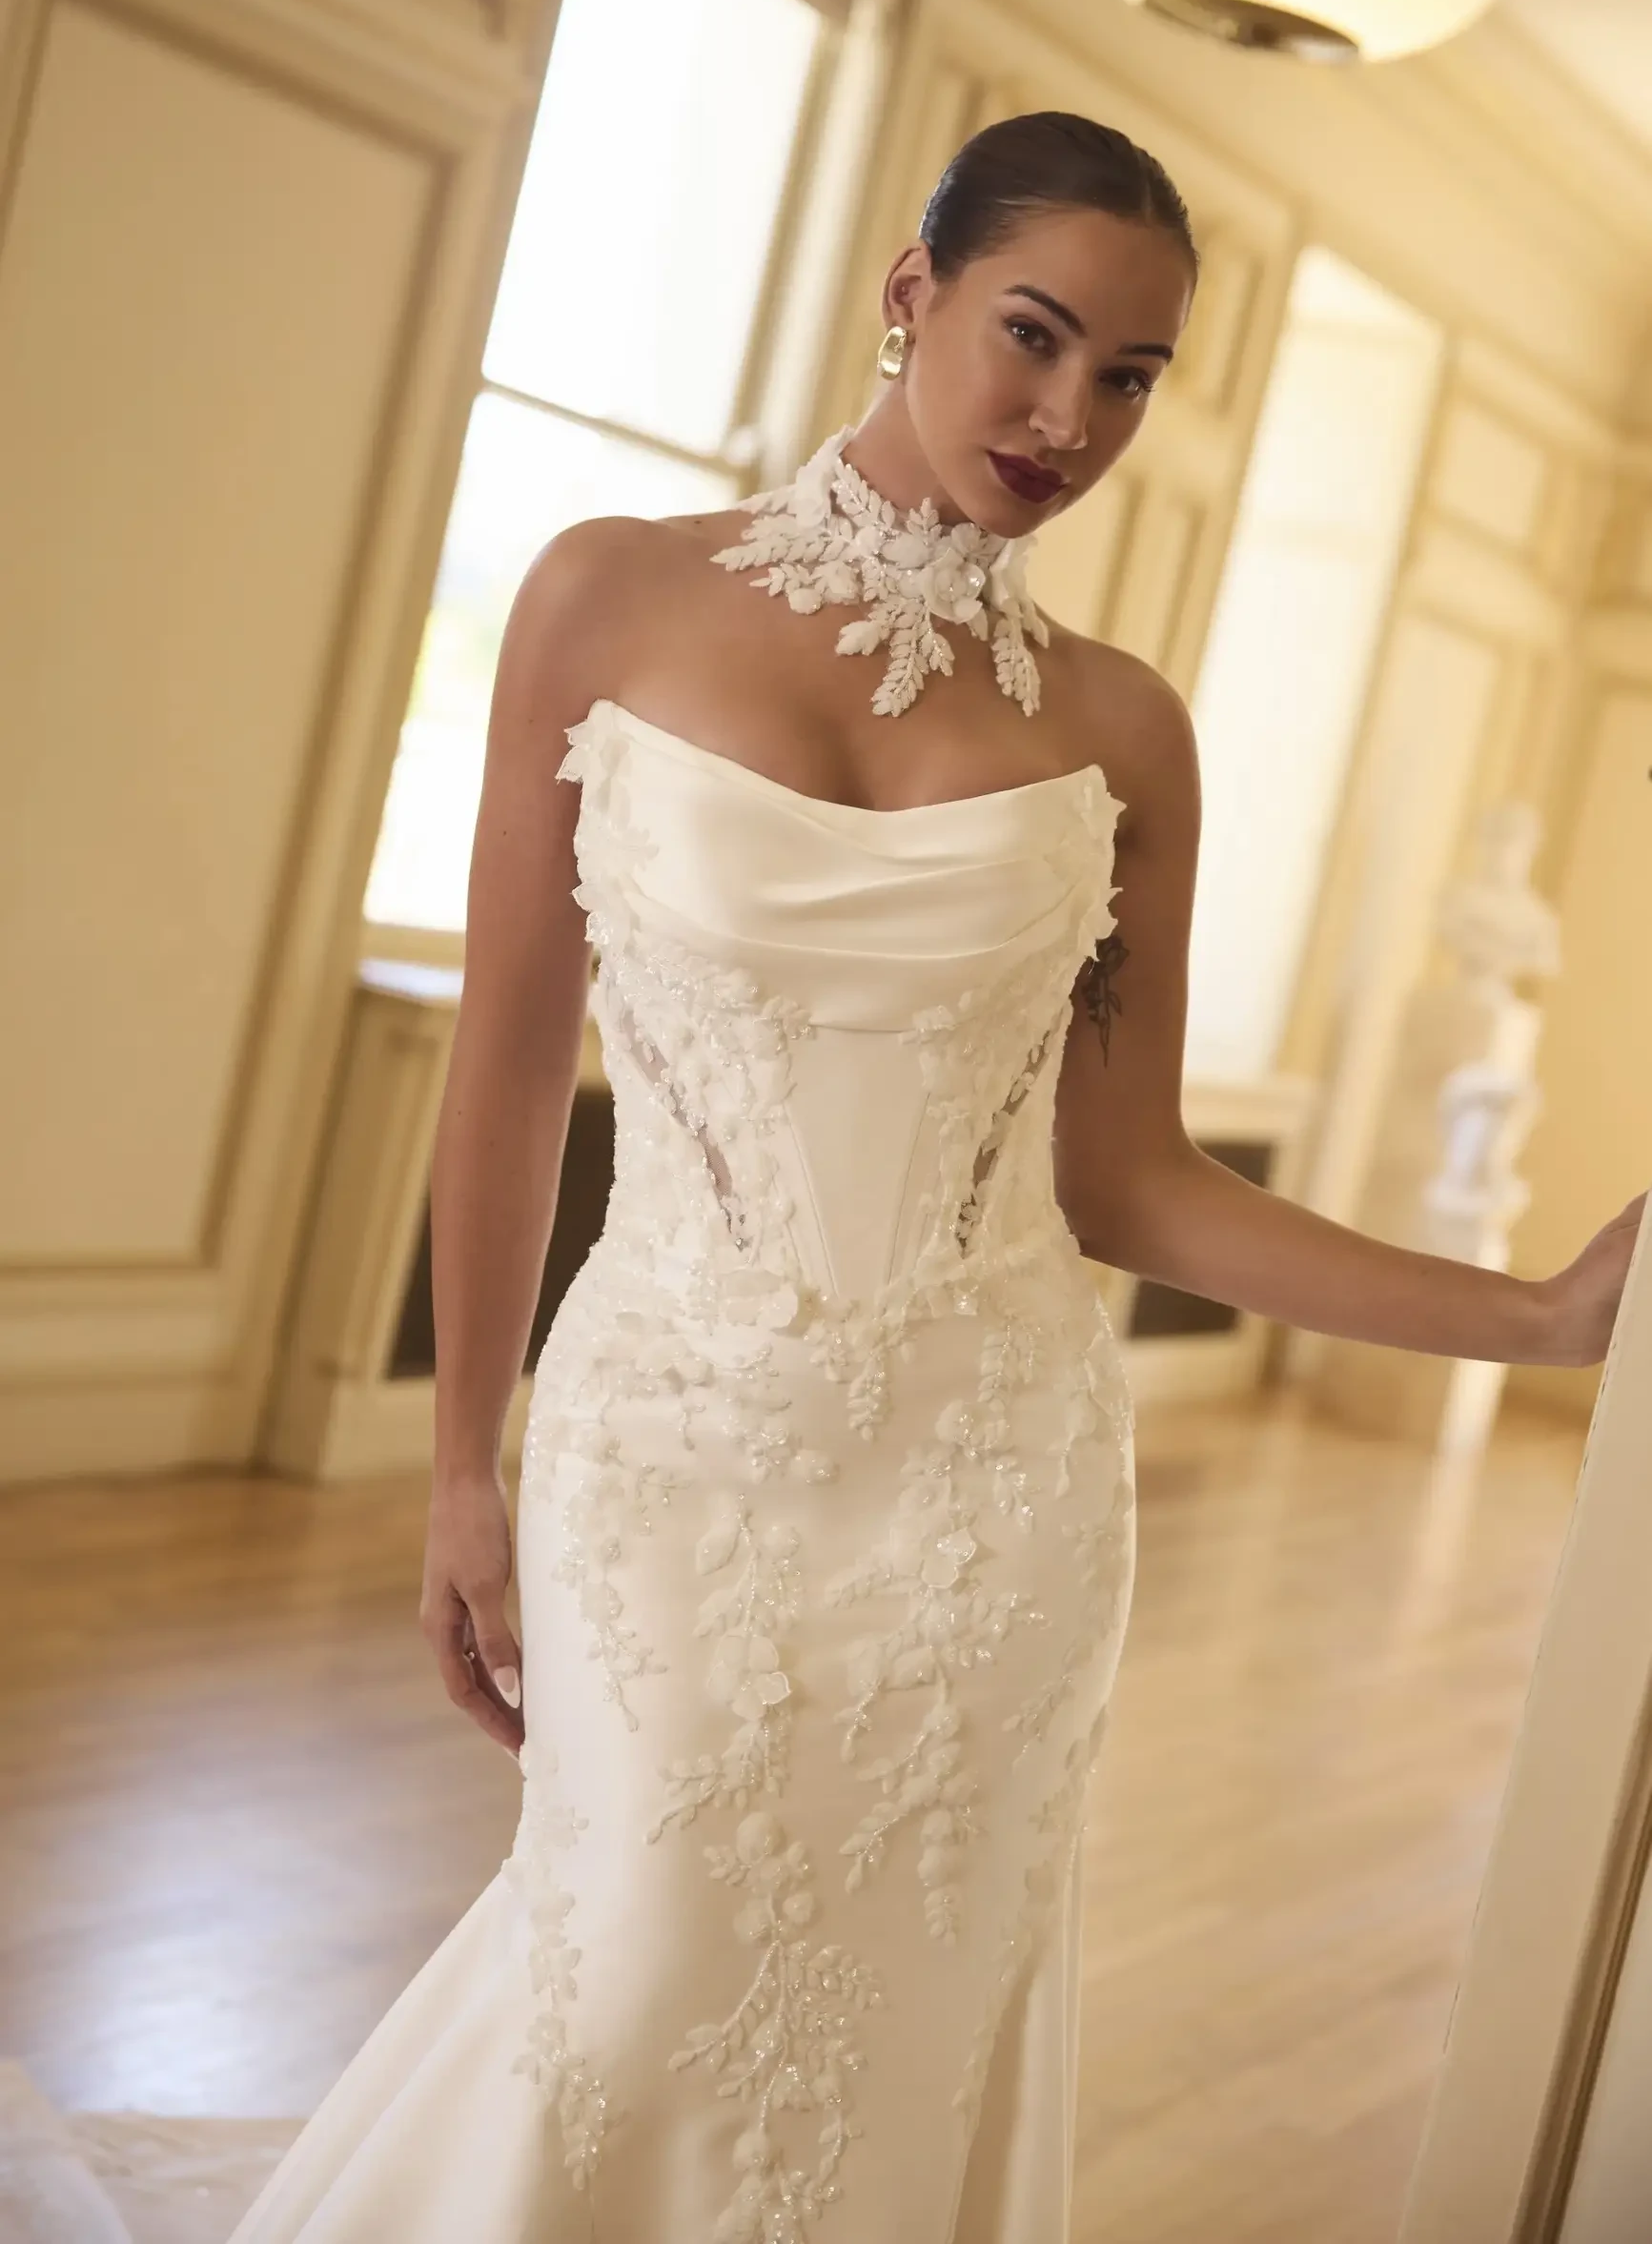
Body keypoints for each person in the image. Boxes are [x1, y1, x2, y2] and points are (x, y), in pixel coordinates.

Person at [229, 112, 1642, 2243]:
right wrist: (459, 1462)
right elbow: (511, 1069)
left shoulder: (1125, 732)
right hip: (667, 1454)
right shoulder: (603, 592)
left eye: (1129, 376)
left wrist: (1532, 1317)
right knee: (619, 1991)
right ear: (910, 293)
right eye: (1031, 337)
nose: (1067, 416)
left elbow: (1134, 1185)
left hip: (987, 1494)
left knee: (891, 2027)